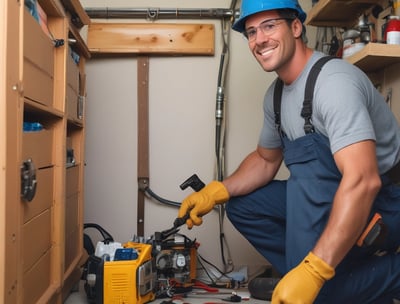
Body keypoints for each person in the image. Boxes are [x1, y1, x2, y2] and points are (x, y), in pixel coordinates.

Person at [177, 0, 400, 303]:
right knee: (242, 205)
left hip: (382, 202)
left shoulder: (333, 84)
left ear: (296, 27)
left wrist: (316, 270)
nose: (259, 40)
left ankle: (336, 276)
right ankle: (316, 272)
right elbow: (266, 159)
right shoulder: (276, 96)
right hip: (326, 193)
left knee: (320, 291)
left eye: (269, 26)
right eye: (252, 32)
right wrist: (216, 190)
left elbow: (364, 180)